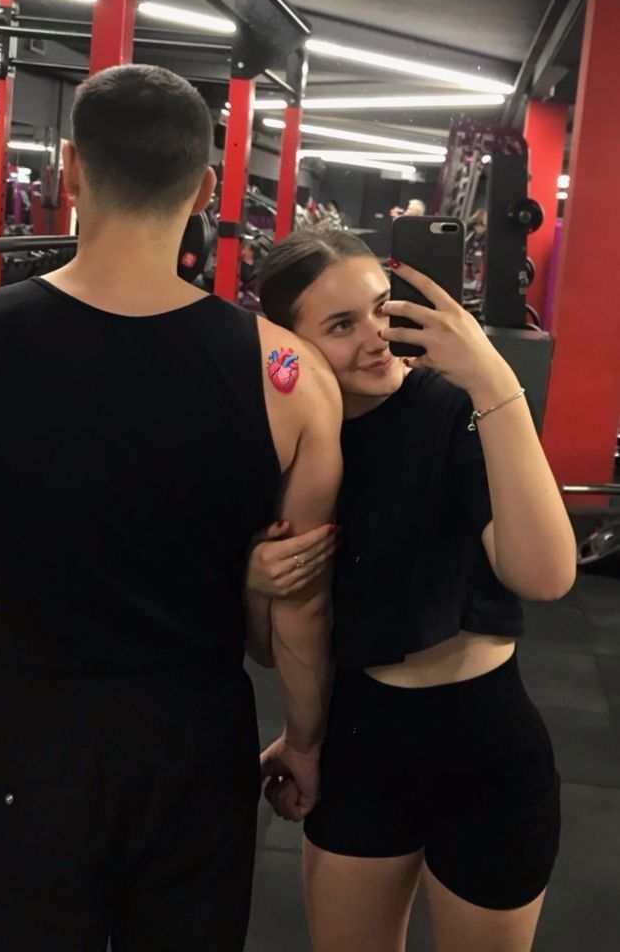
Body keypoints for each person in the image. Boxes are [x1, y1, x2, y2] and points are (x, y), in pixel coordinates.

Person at [0, 65, 342, 951]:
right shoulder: (289, 378)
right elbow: (302, 602)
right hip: (192, 736)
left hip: (28, 731)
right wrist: (305, 741)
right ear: (206, 188)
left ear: (72, 173)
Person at [247, 228, 576, 952]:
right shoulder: (287, 440)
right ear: (289, 341)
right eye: (340, 325)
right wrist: (253, 583)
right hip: (360, 739)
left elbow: (546, 575)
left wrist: (491, 379)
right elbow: (270, 647)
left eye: (380, 308)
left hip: (483, 743)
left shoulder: (452, 407)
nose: (375, 336)